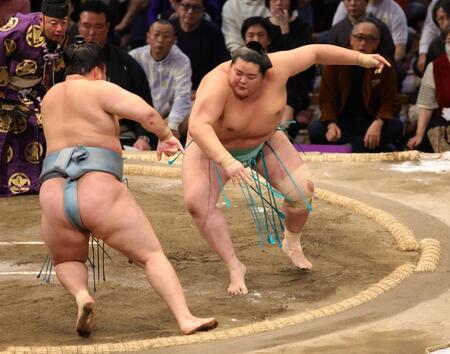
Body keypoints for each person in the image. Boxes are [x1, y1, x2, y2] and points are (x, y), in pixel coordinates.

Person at [182, 40, 390, 295]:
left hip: (264, 141)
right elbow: (198, 127)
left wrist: (362, 59)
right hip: (213, 147)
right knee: (197, 203)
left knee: (302, 193)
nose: (241, 81)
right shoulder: (217, 84)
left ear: (265, 75)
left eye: (249, 76)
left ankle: (291, 242)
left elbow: (315, 53)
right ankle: (235, 265)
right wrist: (227, 161)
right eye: (237, 73)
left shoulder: (279, 67)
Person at [39, 40, 218, 337]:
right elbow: (146, 114)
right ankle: (185, 318)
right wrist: (164, 135)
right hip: (97, 187)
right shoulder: (99, 88)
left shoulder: (50, 97)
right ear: (99, 70)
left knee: (68, 258)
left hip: (54, 193)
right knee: (150, 255)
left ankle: (82, 296)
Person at [0, 0, 69, 196]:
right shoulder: (19, 28)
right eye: (54, 23)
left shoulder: (63, 35)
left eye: (63, 23)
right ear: (41, 19)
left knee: (50, 121)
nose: (59, 29)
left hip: (36, 92)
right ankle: (6, 184)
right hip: (8, 91)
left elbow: (57, 66)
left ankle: (42, 181)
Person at [309, 21, 402, 152]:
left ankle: (351, 147)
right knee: (315, 130)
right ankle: (365, 146)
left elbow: (390, 101)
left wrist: (378, 122)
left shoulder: (383, 64)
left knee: (396, 126)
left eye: (369, 39)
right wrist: (331, 124)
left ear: (377, 44)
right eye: (359, 37)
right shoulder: (335, 61)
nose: (363, 43)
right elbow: (327, 99)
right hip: (342, 122)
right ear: (351, 39)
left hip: (371, 121)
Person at [76, 0, 154, 150]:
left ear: (107, 27)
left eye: (98, 26)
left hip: (121, 138)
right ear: (78, 25)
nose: (92, 32)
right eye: (86, 26)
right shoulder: (62, 61)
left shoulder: (127, 62)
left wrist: (143, 138)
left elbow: (144, 104)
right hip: (75, 136)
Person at [129, 19, 192, 146]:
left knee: (195, 108)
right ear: (148, 37)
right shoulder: (134, 56)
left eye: (166, 36)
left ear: (174, 40)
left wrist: (173, 125)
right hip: (137, 116)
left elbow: (182, 96)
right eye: (156, 35)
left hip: (165, 118)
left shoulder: (182, 60)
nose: (160, 40)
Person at [171, 0, 229, 91]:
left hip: (202, 89)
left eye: (196, 8)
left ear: (203, 11)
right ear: (178, 7)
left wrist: (203, 91)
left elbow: (221, 67)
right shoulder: (169, 28)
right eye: (186, 6)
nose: (190, 11)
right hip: (171, 88)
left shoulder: (213, 32)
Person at [407, 28, 450, 152]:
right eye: (449, 41)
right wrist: (418, 135)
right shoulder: (435, 67)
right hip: (444, 122)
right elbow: (426, 105)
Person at [328, 0, 395, 61]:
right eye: (348, 0)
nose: (353, 3)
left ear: (367, 2)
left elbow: (388, 58)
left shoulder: (380, 27)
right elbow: (329, 59)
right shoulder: (336, 29)